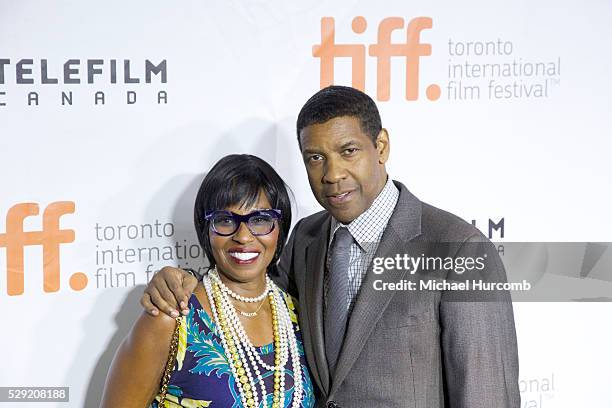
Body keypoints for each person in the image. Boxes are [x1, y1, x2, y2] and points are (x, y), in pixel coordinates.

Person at [141, 86, 521, 408]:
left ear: (381, 146)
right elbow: (246, 288)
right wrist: (181, 279)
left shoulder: (459, 251)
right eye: (316, 158)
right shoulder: (306, 239)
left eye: (349, 151)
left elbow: (486, 394)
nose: (332, 174)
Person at [101, 154, 315, 407]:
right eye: (225, 221)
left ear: (280, 227)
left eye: (260, 220)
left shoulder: (299, 316)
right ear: (206, 230)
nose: (243, 236)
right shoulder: (171, 317)